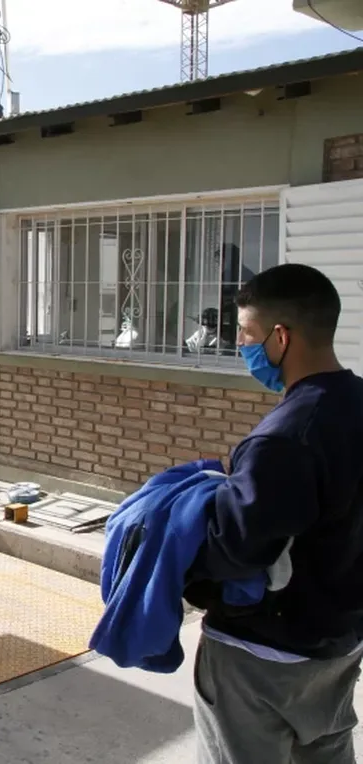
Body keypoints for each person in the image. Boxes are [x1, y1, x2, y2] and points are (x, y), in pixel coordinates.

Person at [183, 263, 363, 763]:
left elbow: (237, 549)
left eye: (245, 334)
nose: (240, 345)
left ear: (279, 337)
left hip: (259, 656)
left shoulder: (285, 437)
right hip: (339, 645)